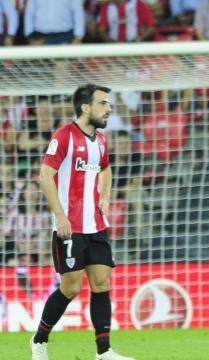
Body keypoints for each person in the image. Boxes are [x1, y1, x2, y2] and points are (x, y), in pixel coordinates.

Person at [31, 84, 134, 360]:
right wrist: (60, 215)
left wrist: (106, 194)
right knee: (71, 287)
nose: (108, 109)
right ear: (85, 107)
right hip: (70, 227)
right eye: (102, 104)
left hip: (96, 226)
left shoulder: (100, 141)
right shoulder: (64, 136)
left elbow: (106, 168)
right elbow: (44, 175)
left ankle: (104, 352)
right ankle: (39, 339)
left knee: (102, 284)